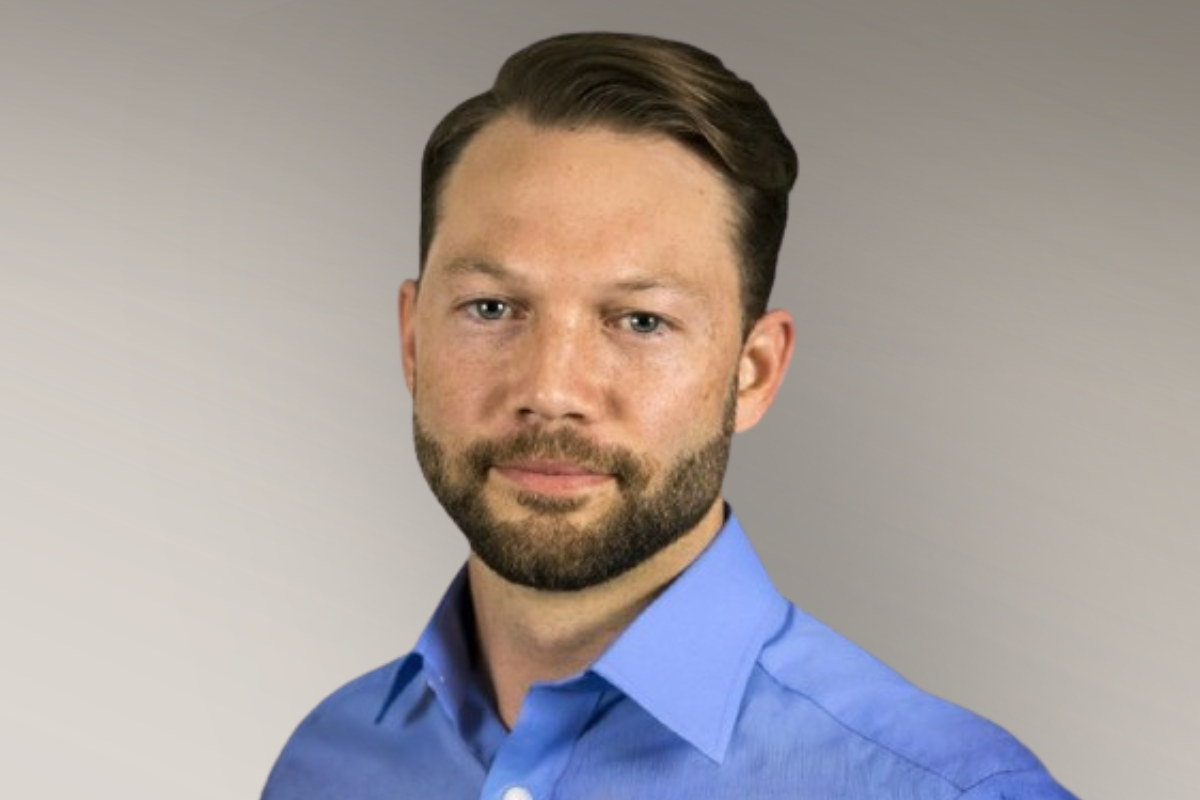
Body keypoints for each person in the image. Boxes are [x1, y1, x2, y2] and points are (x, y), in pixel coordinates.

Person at [262, 32, 1078, 799]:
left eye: (641, 321)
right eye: (491, 307)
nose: (552, 388)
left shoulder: (945, 789)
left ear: (753, 373)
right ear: (411, 341)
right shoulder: (327, 764)